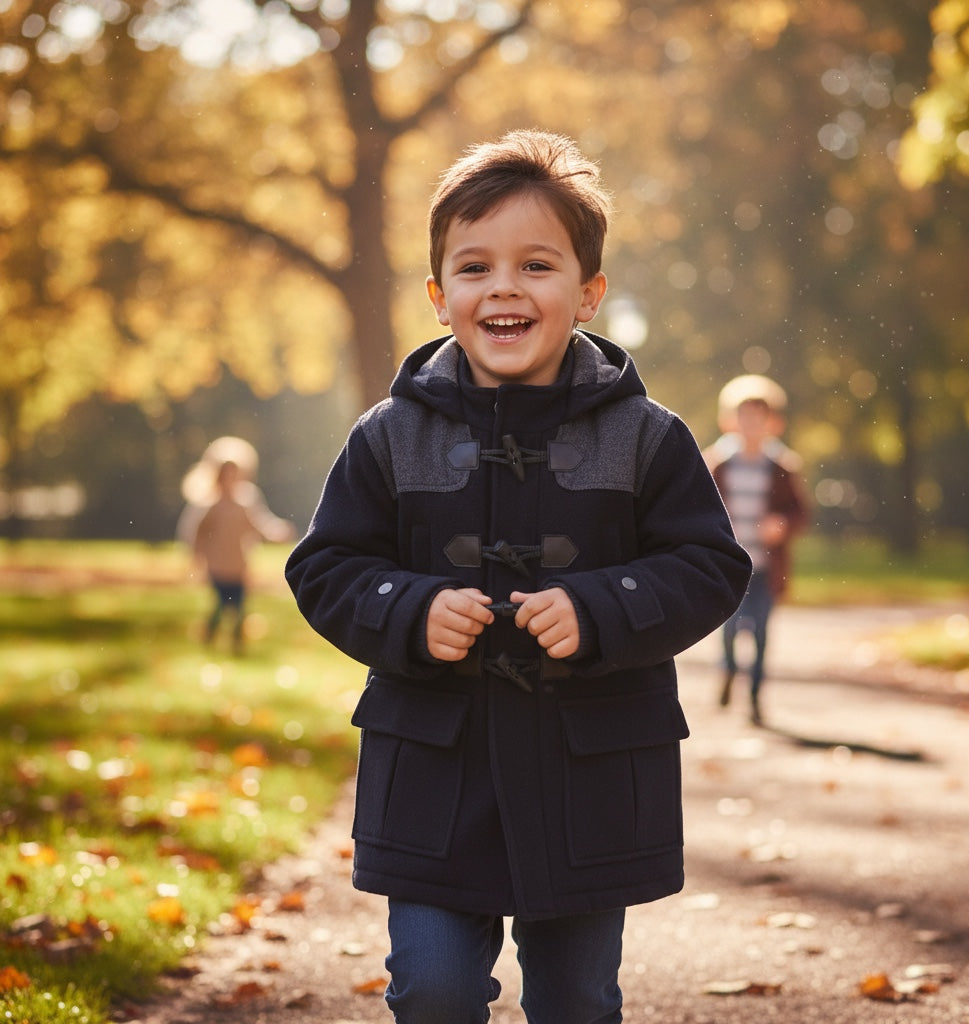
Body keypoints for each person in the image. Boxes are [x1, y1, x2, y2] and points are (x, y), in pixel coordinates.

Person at [285, 129, 751, 1024]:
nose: (503, 287)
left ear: (587, 294)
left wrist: (603, 605)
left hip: (588, 777)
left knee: (577, 998)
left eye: (536, 265)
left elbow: (709, 564)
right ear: (439, 296)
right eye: (474, 267)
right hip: (435, 771)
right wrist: (411, 609)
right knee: (434, 988)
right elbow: (326, 566)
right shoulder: (389, 434)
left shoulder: (646, 434)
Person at [704, 376, 810, 726]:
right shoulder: (717, 464)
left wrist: (782, 524)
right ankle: (730, 670)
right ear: (729, 420)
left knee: (762, 632)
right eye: (744, 417)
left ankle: (754, 698)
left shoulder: (782, 467)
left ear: (773, 424)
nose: (751, 425)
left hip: (765, 566)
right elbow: (698, 508)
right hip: (729, 566)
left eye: (759, 418)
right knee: (732, 627)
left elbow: (801, 513)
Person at [178, 437, 294, 654]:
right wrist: (197, 556)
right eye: (225, 474)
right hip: (217, 566)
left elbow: (260, 524)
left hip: (239, 565)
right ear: (217, 476)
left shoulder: (246, 501)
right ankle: (209, 637)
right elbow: (196, 533)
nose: (230, 479)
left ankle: (237, 646)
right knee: (222, 606)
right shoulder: (210, 505)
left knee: (240, 609)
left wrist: (278, 532)